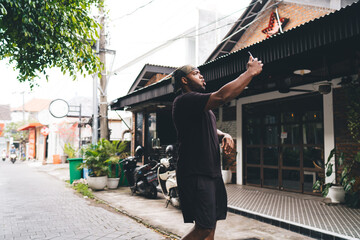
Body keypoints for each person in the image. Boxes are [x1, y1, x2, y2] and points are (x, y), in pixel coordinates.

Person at [172, 56, 263, 240]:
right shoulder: (185, 100)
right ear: (184, 80)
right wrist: (250, 73)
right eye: (196, 74)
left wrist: (223, 135)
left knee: (211, 225)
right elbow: (222, 96)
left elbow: (211, 128)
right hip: (196, 173)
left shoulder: (203, 109)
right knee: (204, 228)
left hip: (211, 173)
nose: (202, 77)